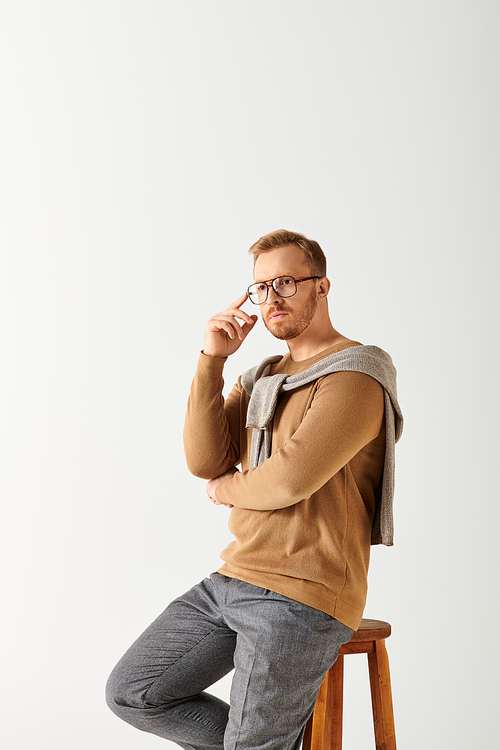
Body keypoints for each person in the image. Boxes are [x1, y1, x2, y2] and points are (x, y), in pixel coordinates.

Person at [106, 229, 403, 750]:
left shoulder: (357, 374)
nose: (272, 298)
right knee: (133, 692)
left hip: (304, 593)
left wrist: (228, 491)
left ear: (321, 286)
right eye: (262, 287)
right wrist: (212, 359)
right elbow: (205, 461)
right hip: (235, 577)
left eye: (286, 282)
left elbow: (289, 479)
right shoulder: (262, 376)